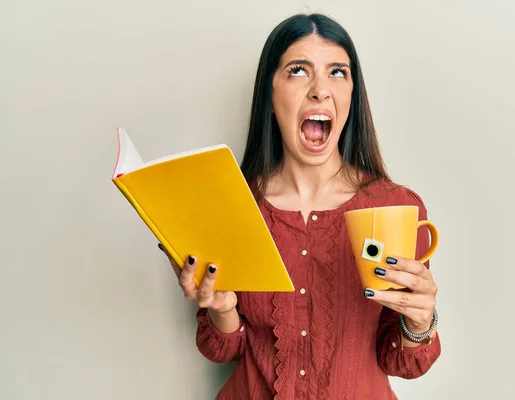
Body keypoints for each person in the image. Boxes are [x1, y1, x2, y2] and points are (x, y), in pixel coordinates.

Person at [159, 12, 441, 400]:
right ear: (269, 97)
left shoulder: (395, 207)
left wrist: (421, 321)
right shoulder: (234, 206)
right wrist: (222, 309)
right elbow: (225, 348)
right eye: (298, 71)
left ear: (351, 95)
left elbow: (401, 361)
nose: (320, 90)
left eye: (338, 72)